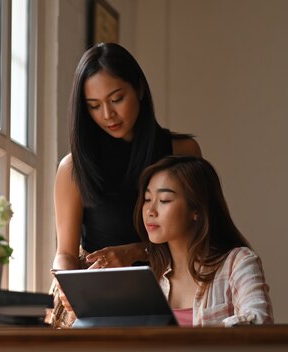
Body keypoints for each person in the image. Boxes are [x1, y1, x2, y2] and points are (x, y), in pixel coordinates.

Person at [50, 43, 201, 327]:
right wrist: (66, 283)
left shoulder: (183, 152)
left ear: (140, 89)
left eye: (116, 98)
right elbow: (66, 252)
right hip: (98, 301)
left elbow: (198, 233)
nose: (107, 114)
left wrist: (133, 252)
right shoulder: (73, 167)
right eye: (94, 106)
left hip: (174, 290)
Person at [134, 155, 273, 326]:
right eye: (147, 199)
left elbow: (260, 322)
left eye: (164, 200)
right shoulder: (149, 277)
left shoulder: (237, 263)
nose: (150, 211)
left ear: (196, 209)